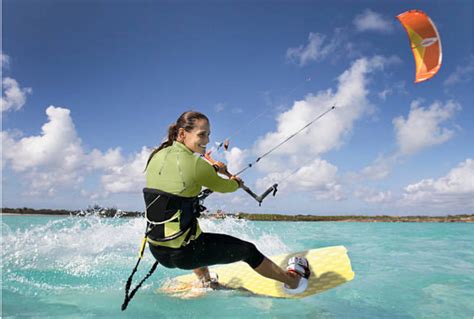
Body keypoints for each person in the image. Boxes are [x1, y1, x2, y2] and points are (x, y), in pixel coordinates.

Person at [143, 111, 310, 293]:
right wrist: (234, 180)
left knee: (194, 233)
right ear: (182, 134)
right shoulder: (196, 164)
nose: (206, 141)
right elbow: (227, 187)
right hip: (185, 255)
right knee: (248, 251)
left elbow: (183, 177)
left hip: (157, 250)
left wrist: (214, 169)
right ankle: (293, 282)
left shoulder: (156, 156)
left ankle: (206, 282)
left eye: (208, 135)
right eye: (202, 134)